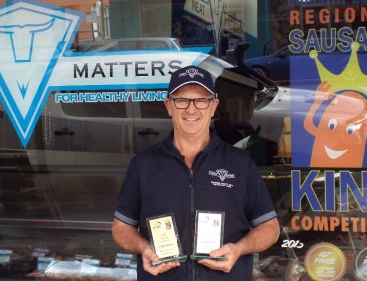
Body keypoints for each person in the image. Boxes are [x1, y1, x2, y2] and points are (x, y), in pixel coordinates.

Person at [112, 65, 280, 280]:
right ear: (169, 106)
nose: (191, 110)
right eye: (182, 101)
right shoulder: (143, 164)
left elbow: (270, 227)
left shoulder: (239, 163)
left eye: (201, 101)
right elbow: (121, 227)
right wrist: (143, 247)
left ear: (213, 106)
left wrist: (239, 248)